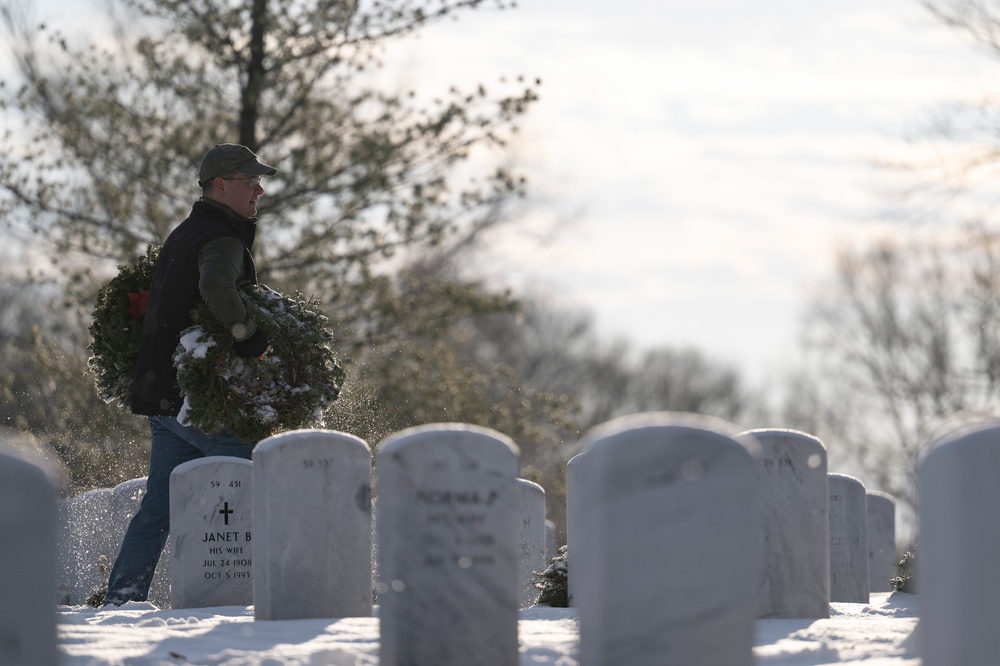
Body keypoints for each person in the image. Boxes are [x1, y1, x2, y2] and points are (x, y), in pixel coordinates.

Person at [103, 144, 277, 606]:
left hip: (164, 398)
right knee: (252, 471)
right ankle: (252, 597)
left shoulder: (185, 232)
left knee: (157, 509)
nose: (259, 188)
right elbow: (215, 286)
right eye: (250, 180)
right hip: (193, 401)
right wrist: (247, 334)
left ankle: (121, 599)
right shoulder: (220, 237)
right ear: (221, 186)